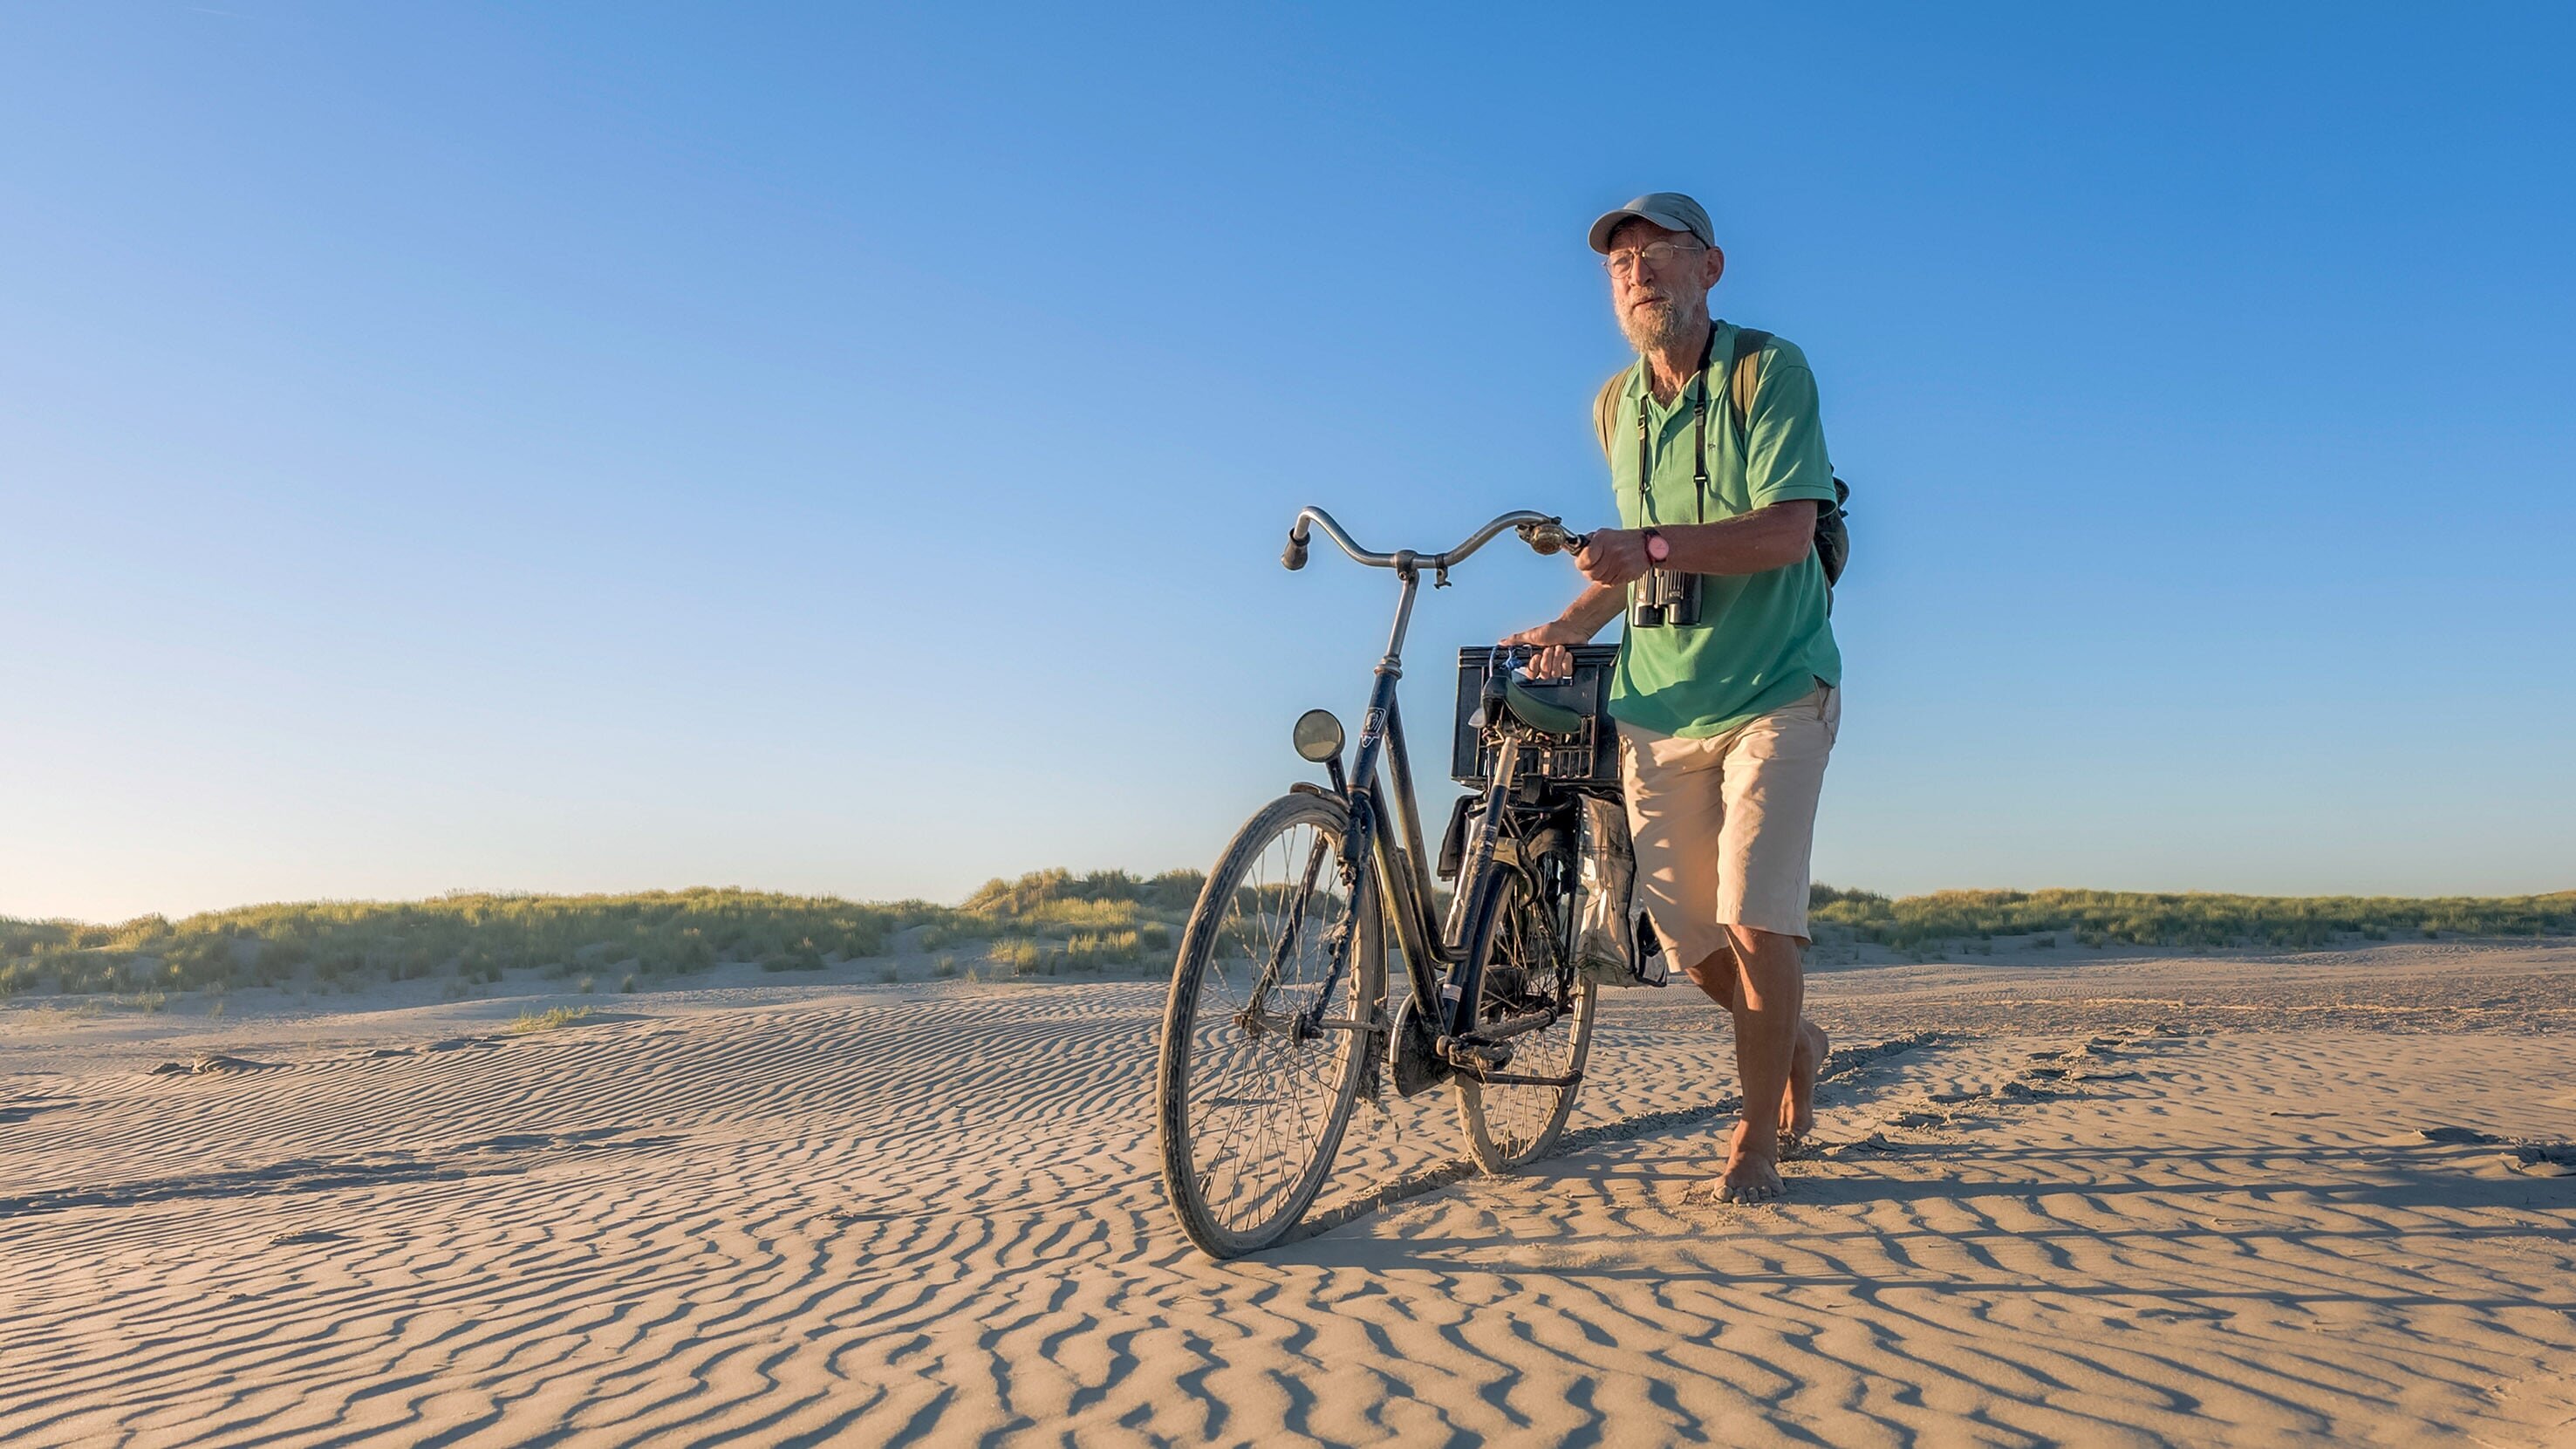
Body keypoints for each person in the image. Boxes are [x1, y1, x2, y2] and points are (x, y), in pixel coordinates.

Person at [1507, 192, 1842, 1205]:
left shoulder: (1764, 370)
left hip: (1777, 685)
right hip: (1659, 702)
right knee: (1680, 933)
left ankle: (1756, 1139)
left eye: (1659, 254)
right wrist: (1568, 624)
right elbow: (1631, 558)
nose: (1636, 272)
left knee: (1752, 915)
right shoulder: (1615, 406)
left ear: (1712, 267)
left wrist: (1648, 545)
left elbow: (1786, 531)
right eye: (1619, 264)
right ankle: (1793, 1036)